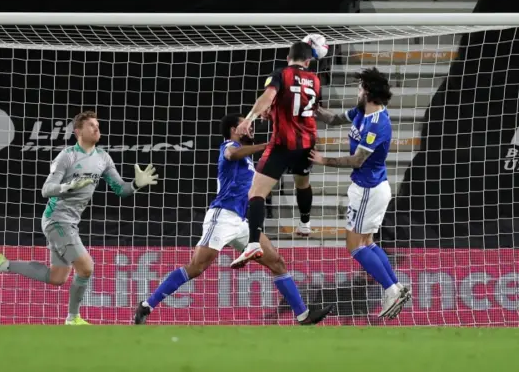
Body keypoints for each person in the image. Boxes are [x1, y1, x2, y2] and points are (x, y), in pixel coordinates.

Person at [133, 114, 333, 325]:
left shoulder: (247, 160)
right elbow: (231, 153)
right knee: (196, 267)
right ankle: (147, 306)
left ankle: (303, 315)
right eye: (245, 125)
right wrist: (267, 145)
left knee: (277, 262)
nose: (251, 128)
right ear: (233, 130)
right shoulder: (228, 146)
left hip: (241, 222)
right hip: (222, 217)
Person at [0, 110, 159, 325]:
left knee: (57, 278)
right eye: (91, 125)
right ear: (78, 131)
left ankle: (2, 264)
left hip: (71, 222)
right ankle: (73, 318)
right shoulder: (67, 156)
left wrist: (136, 184)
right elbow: (46, 190)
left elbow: (120, 189)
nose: (97, 128)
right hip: (56, 220)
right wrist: (67, 186)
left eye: (97, 125)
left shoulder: (103, 158)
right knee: (86, 267)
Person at [310, 68, 411, 319]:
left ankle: (390, 289)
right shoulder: (362, 112)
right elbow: (333, 119)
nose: (357, 91)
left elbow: (357, 161)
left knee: (355, 247)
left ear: (367, 92)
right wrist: (311, 108)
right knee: (367, 243)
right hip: (370, 188)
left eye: (359, 87)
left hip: (369, 189)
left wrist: (324, 160)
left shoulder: (378, 124)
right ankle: (396, 287)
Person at [231, 41, 322, 268]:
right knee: (303, 182)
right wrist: (273, 113)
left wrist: (250, 119)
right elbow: (301, 107)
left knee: (256, 193)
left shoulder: (281, 73)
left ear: (288, 57)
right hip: (307, 142)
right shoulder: (316, 80)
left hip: (283, 144)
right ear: (308, 61)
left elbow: (268, 97)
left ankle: (253, 243)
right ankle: (305, 223)